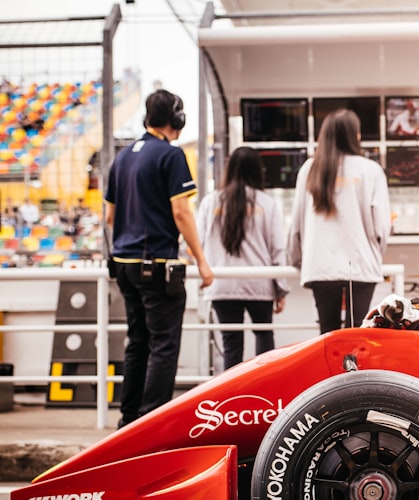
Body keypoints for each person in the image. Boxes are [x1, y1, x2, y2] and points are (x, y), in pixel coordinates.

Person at [105, 89, 213, 427]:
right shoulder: (171, 155)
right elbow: (181, 212)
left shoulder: (122, 158)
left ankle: (128, 420)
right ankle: (150, 424)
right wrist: (201, 260)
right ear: (176, 118)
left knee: (137, 342)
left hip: (123, 264)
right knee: (164, 345)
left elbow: (110, 217)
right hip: (156, 265)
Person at [288, 108, 391, 334]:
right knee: (355, 334)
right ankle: (353, 371)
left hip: (320, 265)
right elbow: (382, 226)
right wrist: (375, 250)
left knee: (327, 334)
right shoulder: (371, 170)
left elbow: (296, 223)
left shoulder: (309, 169)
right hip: (360, 265)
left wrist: (298, 261)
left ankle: (329, 371)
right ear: (355, 136)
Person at [197, 147, 289, 369]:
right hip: (260, 285)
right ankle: (266, 392)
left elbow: (198, 243)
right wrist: (281, 288)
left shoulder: (211, 203)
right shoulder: (266, 204)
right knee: (264, 339)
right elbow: (278, 248)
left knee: (231, 345)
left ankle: (232, 398)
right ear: (258, 171)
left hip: (222, 284)